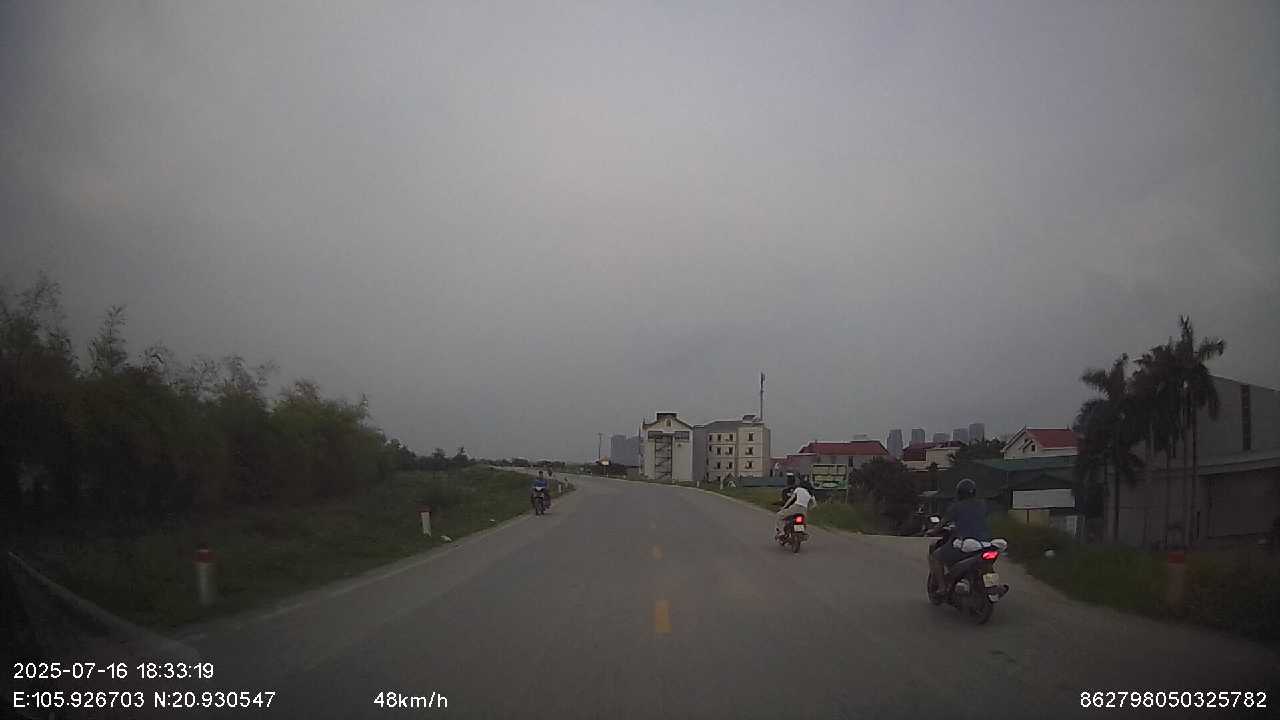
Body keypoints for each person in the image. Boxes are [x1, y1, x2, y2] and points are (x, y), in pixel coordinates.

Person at [929, 478, 991, 593]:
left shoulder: (956, 507)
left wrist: (933, 531)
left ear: (959, 493)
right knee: (986, 563)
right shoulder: (983, 504)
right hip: (985, 543)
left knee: (935, 557)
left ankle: (942, 587)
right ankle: (991, 585)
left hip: (965, 544)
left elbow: (942, 523)